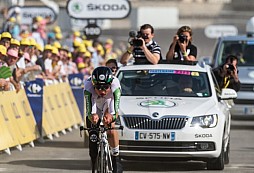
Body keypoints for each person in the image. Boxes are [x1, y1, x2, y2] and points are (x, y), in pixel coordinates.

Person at [84, 66, 122, 173]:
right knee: (93, 137)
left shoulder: (115, 85)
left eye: (106, 87)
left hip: (109, 103)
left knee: (111, 127)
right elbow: (89, 110)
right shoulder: (88, 86)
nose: (102, 90)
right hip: (95, 103)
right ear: (93, 85)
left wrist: (111, 116)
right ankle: (93, 165)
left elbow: (115, 111)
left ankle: (116, 158)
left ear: (110, 84)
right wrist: (93, 116)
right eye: (99, 87)